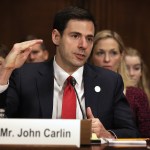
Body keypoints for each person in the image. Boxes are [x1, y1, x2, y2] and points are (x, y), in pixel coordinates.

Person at [1, 7, 139, 138]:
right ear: (56, 37)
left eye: (89, 39)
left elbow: (130, 132)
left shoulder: (110, 81)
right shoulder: (24, 77)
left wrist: (106, 134)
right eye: (75, 36)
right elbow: (3, 123)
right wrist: (5, 71)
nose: (83, 45)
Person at [89, 29, 150, 137]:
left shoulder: (137, 95)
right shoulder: (81, 89)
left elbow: (146, 137)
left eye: (113, 53)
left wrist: (108, 134)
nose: (107, 59)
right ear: (91, 56)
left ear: (121, 56)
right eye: (100, 53)